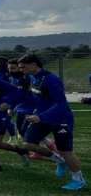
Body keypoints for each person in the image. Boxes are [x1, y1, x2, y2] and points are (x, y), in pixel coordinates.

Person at [17, 54, 86, 191]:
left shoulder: (51, 79)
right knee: (27, 143)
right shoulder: (32, 77)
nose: (21, 70)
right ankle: (58, 160)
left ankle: (79, 180)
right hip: (42, 117)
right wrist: (35, 112)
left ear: (34, 65)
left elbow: (60, 104)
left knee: (66, 151)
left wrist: (41, 117)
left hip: (61, 119)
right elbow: (40, 98)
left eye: (23, 67)